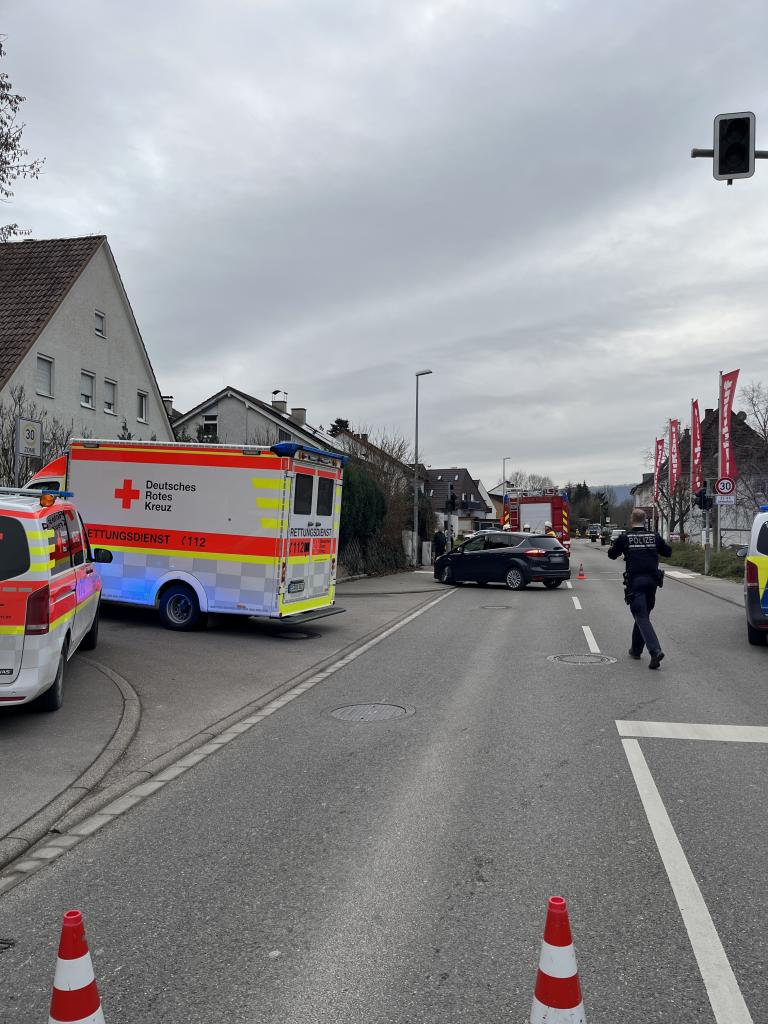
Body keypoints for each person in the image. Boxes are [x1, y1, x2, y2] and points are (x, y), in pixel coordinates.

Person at [608, 509, 671, 669]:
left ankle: (655, 651)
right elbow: (668, 552)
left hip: (636, 581)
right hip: (652, 582)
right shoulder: (654, 536)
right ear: (645, 519)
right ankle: (636, 650)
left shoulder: (626, 538)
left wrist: (616, 547)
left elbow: (612, 555)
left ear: (631, 520)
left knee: (640, 615)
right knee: (643, 615)